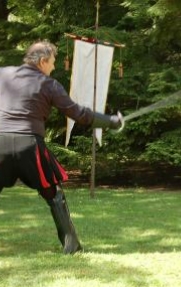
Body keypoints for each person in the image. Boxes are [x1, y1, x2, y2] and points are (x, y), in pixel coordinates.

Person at [0, 40, 124, 254]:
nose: (54, 67)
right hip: (29, 145)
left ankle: (72, 245)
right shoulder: (49, 84)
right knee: (53, 193)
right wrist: (111, 121)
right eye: (53, 62)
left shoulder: (3, 74)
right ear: (42, 61)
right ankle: (71, 246)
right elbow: (78, 114)